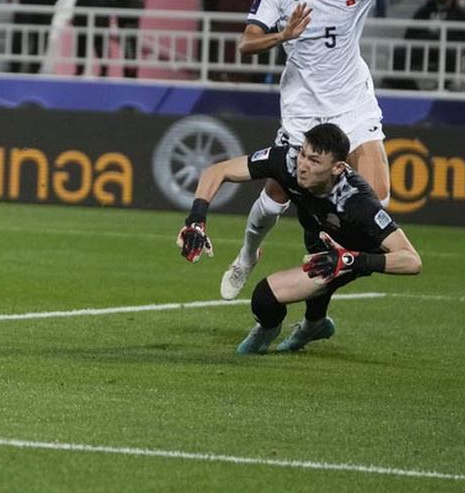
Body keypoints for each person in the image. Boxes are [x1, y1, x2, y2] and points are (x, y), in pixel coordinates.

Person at [226, 0, 465, 301]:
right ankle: (247, 254)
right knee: (275, 199)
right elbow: (246, 42)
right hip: (303, 110)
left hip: (352, 104)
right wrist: (284, 35)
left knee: (378, 199)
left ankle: (334, 267)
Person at [177, 123, 421, 354]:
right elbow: (217, 171)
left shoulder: (358, 203)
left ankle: (279, 329)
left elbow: (411, 260)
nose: (303, 165)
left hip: (350, 255)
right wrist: (196, 219)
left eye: (314, 160)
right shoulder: (288, 160)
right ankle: (306, 326)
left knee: (264, 297)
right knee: (313, 265)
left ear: (338, 168)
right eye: (303, 154)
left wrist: (352, 261)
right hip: (320, 235)